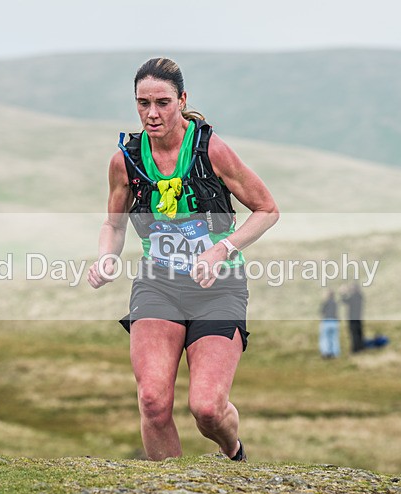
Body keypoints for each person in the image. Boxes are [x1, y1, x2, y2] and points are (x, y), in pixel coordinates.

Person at [87, 57, 279, 461]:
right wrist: (106, 257)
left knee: (207, 408)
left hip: (218, 289)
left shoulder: (212, 150)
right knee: (154, 402)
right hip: (158, 286)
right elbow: (114, 224)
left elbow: (267, 210)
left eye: (162, 102)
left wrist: (221, 248)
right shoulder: (126, 159)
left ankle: (233, 453)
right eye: (143, 103)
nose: (152, 114)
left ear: (182, 99)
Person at [340, 283, 364, 353]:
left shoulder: (354, 296)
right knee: (359, 333)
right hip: (359, 317)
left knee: (354, 334)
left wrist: (343, 293)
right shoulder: (360, 296)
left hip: (353, 318)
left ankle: (356, 349)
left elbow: (345, 301)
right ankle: (360, 347)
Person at [319, 289, 339, 358]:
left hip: (327, 321)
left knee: (325, 338)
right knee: (334, 338)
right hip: (334, 321)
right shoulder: (335, 303)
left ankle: (326, 352)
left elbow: (322, 312)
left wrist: (321, 322)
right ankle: (334, 353)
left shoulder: (325, 303)